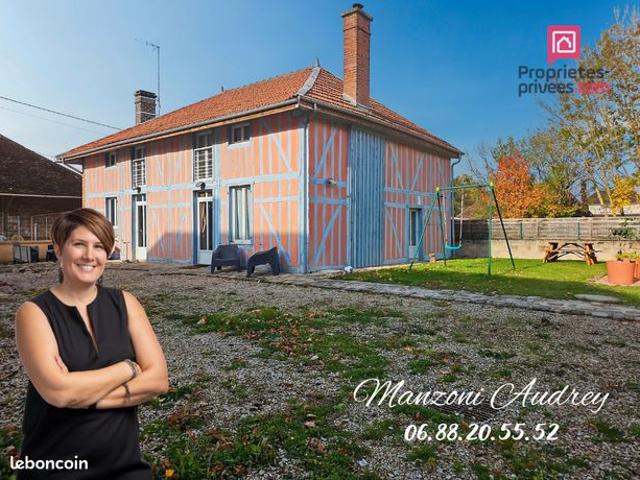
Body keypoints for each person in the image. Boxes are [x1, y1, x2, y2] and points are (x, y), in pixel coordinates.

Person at [14, 208, 169, 479]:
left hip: (125, 467)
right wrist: (129, 368)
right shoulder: (33, 313)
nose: (90, 255)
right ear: (59, 249)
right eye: (79, 244)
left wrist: (84, 398)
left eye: (99, 246)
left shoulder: (126, 303)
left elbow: (158, 380)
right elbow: (60, 393)